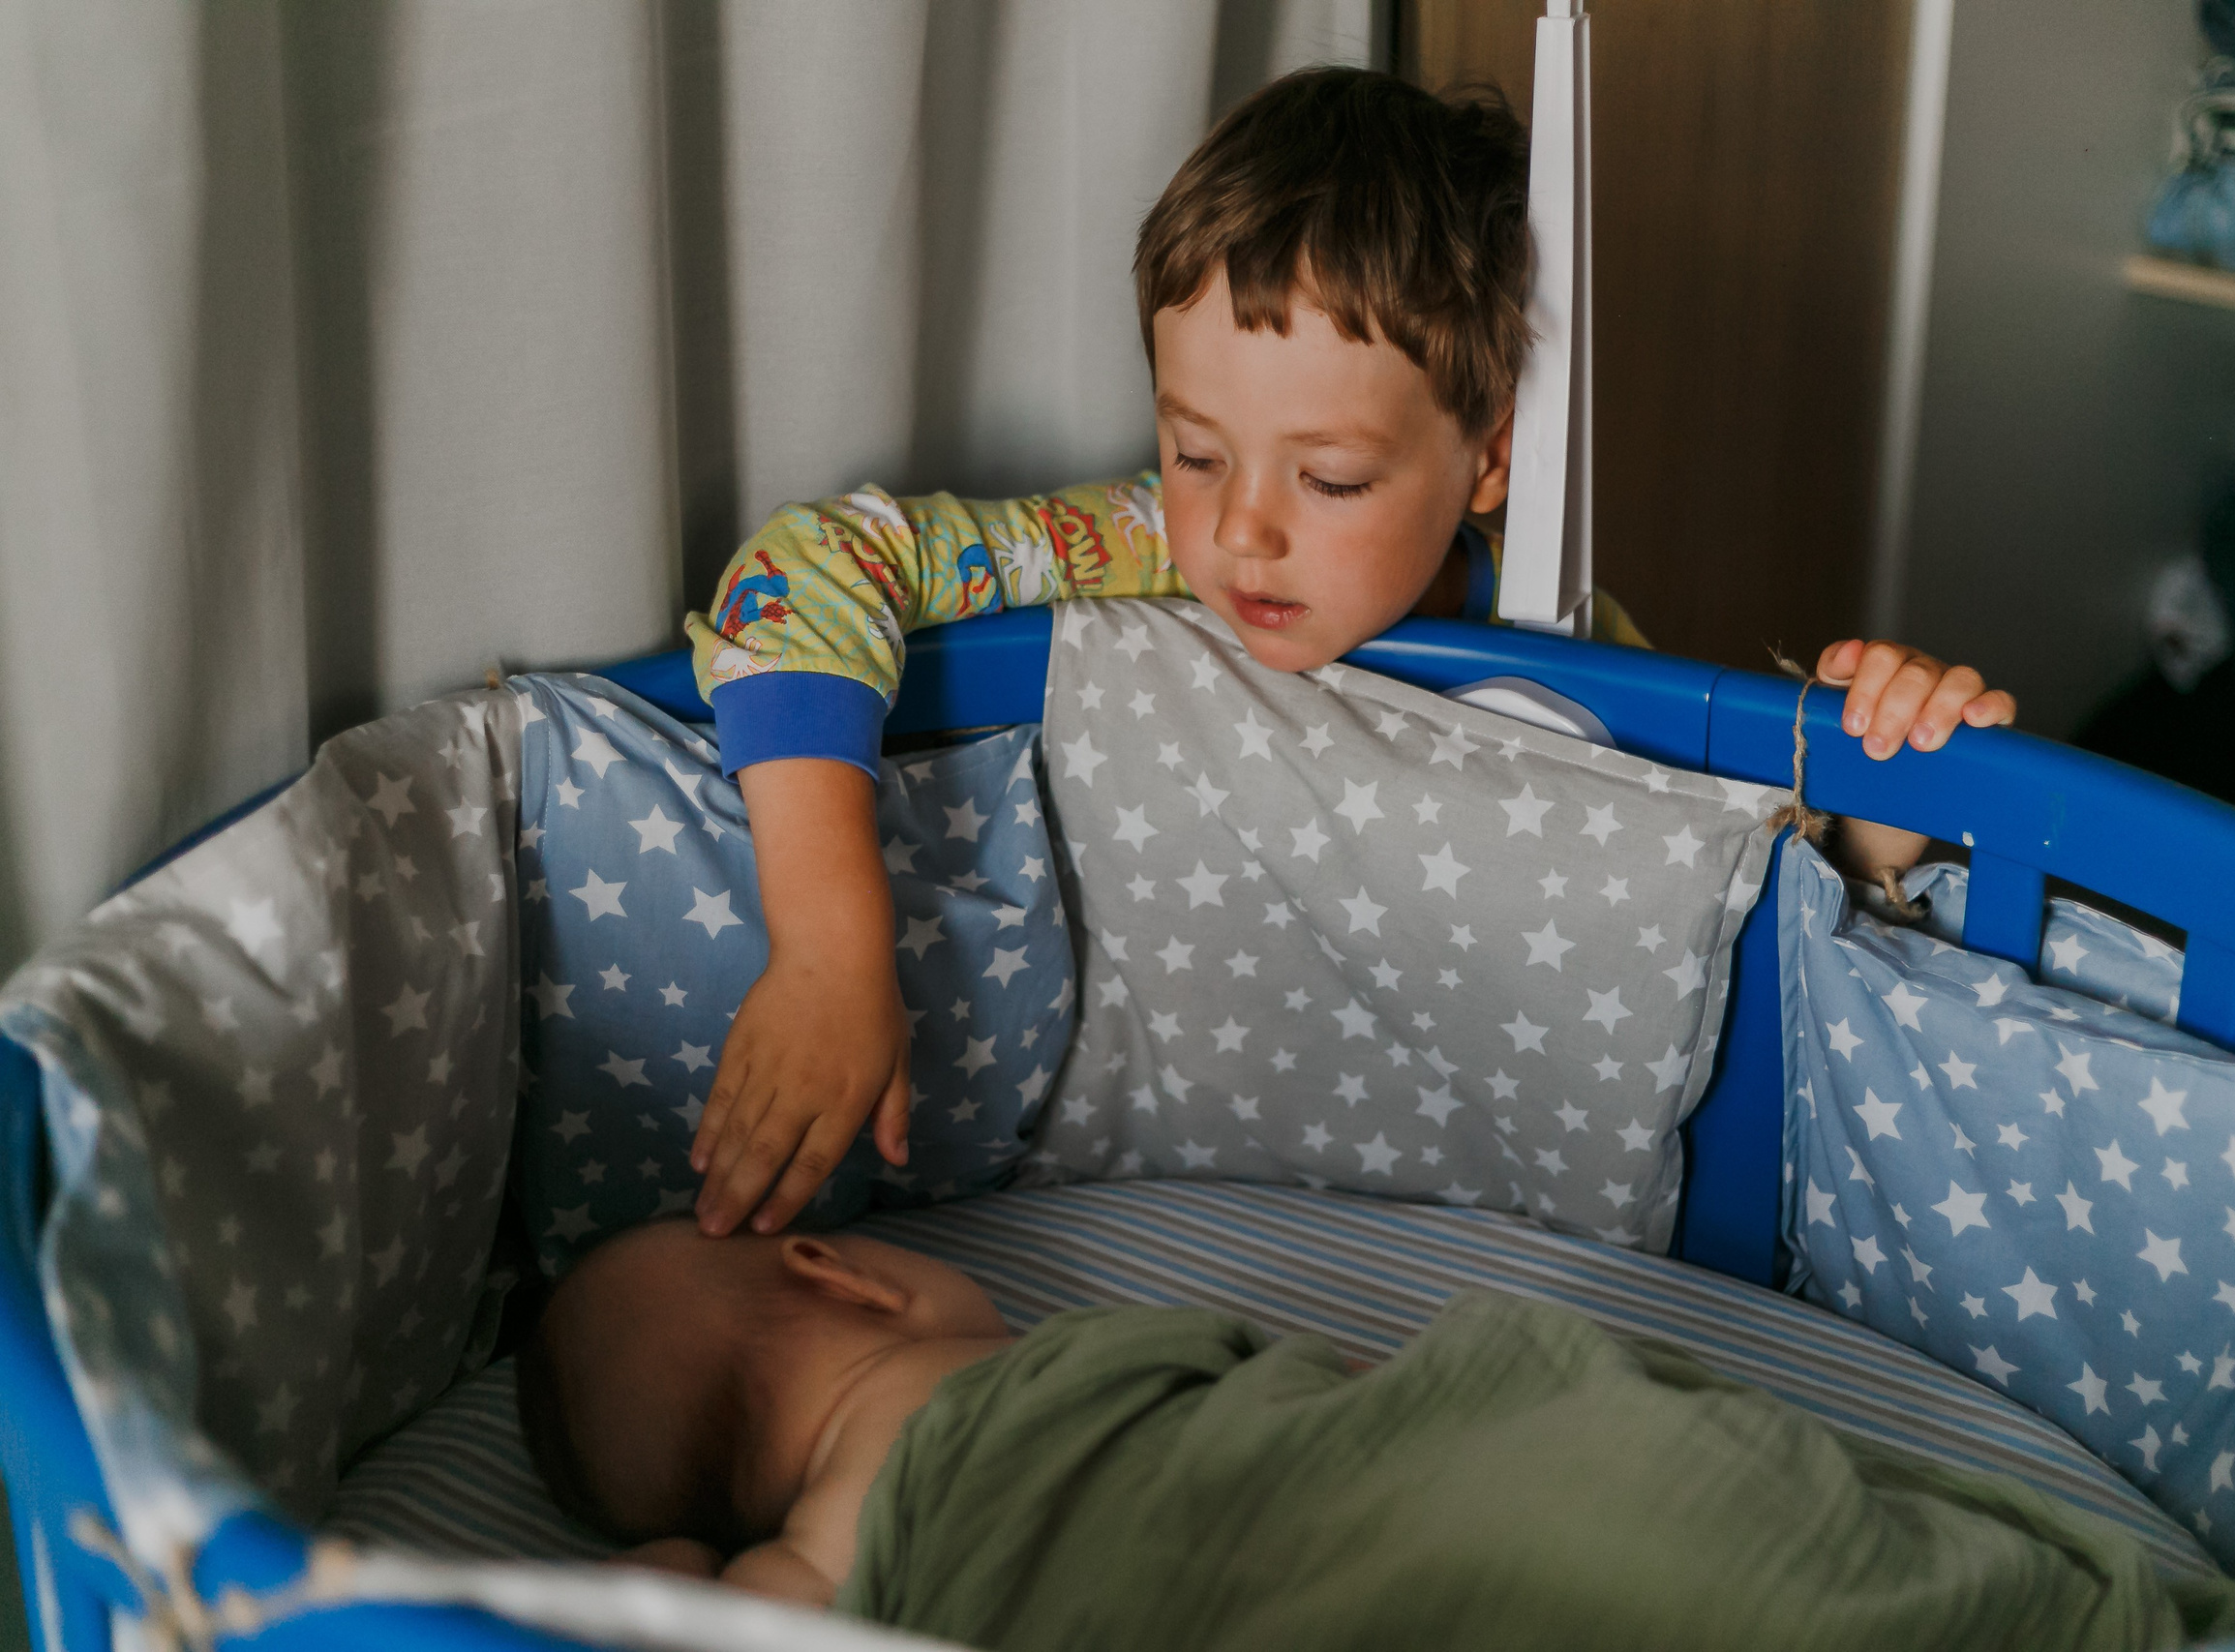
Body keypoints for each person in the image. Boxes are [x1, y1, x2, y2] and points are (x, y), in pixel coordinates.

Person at [678, 68, 2018, 1239]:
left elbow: (1762, 892)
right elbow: (809, 567)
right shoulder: (1146, 547)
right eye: (1196, 450)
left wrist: (1882, 781)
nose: (1241, 527)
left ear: (1489, 453)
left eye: (1328, 479)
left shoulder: (1570, 659)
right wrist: (831, 946)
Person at [516, 1219, 2235, 1649]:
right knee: (1686, 1527)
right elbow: (1339, 1410)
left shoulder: (809, 1565)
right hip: (1509, 1477)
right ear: (843, 1272)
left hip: (1377, 1555)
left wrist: (666, 1557)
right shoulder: (1037, 1361)